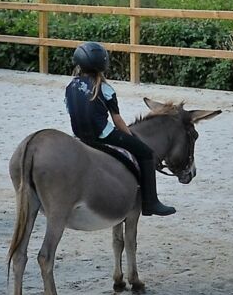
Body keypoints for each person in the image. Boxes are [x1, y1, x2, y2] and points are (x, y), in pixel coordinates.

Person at [64, 41, 175, 217]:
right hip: (103, 135)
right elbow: (117, 120)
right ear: (103, 64)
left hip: (79, 136)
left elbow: (73, 112)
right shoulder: (105, 88)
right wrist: (132, 137)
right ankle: (151, 202)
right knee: (146, 153)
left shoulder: (70, 87)